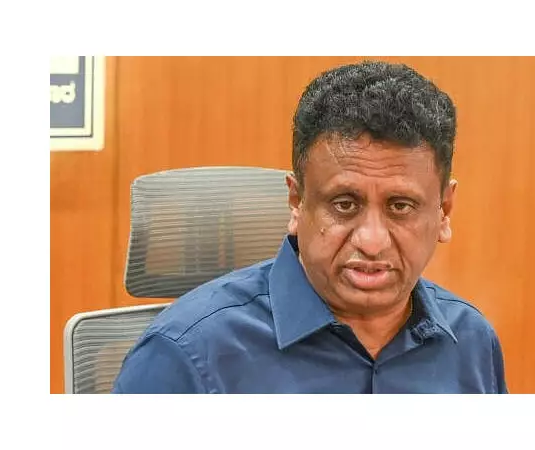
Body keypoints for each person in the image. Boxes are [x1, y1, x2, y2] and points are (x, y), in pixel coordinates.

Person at [111, 60, 508, 394]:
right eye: (344, 205)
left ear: (444, 211)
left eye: (400, 206)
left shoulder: (472, 343)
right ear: (296, 202)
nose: (371, 241)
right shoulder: (183, 356)